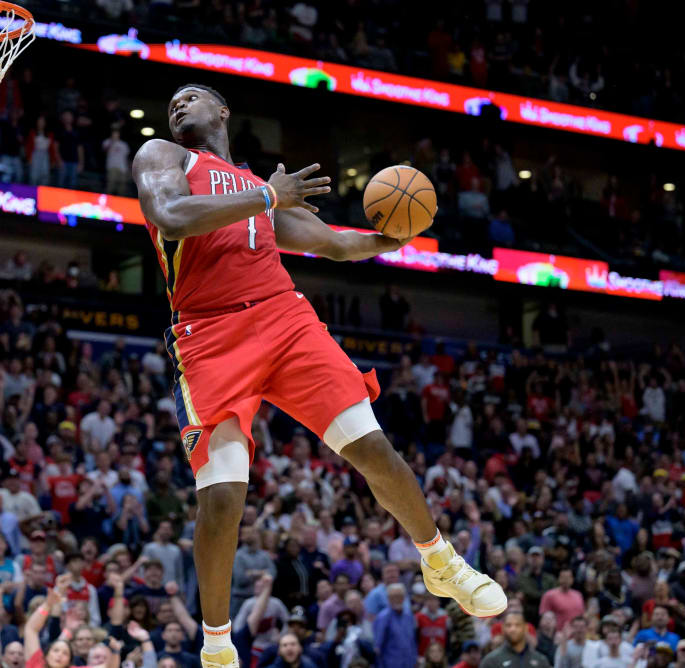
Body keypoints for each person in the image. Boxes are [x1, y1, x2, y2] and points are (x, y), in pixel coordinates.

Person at [131, 82, 506, 668]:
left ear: (223, 111)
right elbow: (171, 216)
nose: (178, 103)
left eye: (193, 96)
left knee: (374, 448)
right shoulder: (163, 157)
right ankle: (217, 643)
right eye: (171, 98)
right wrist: (267, 198)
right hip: (208, 333)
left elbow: (329, 243)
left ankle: (441, 562)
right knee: (224, 496)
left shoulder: (260, 186)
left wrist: (392, 239)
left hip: (285, 318)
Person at [481, 613, 552, 668]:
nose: (513, 629)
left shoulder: (540, 660)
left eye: (517, 625)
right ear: (503, 629)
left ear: (526, 628)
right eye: (508, 625)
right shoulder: (491, 661)